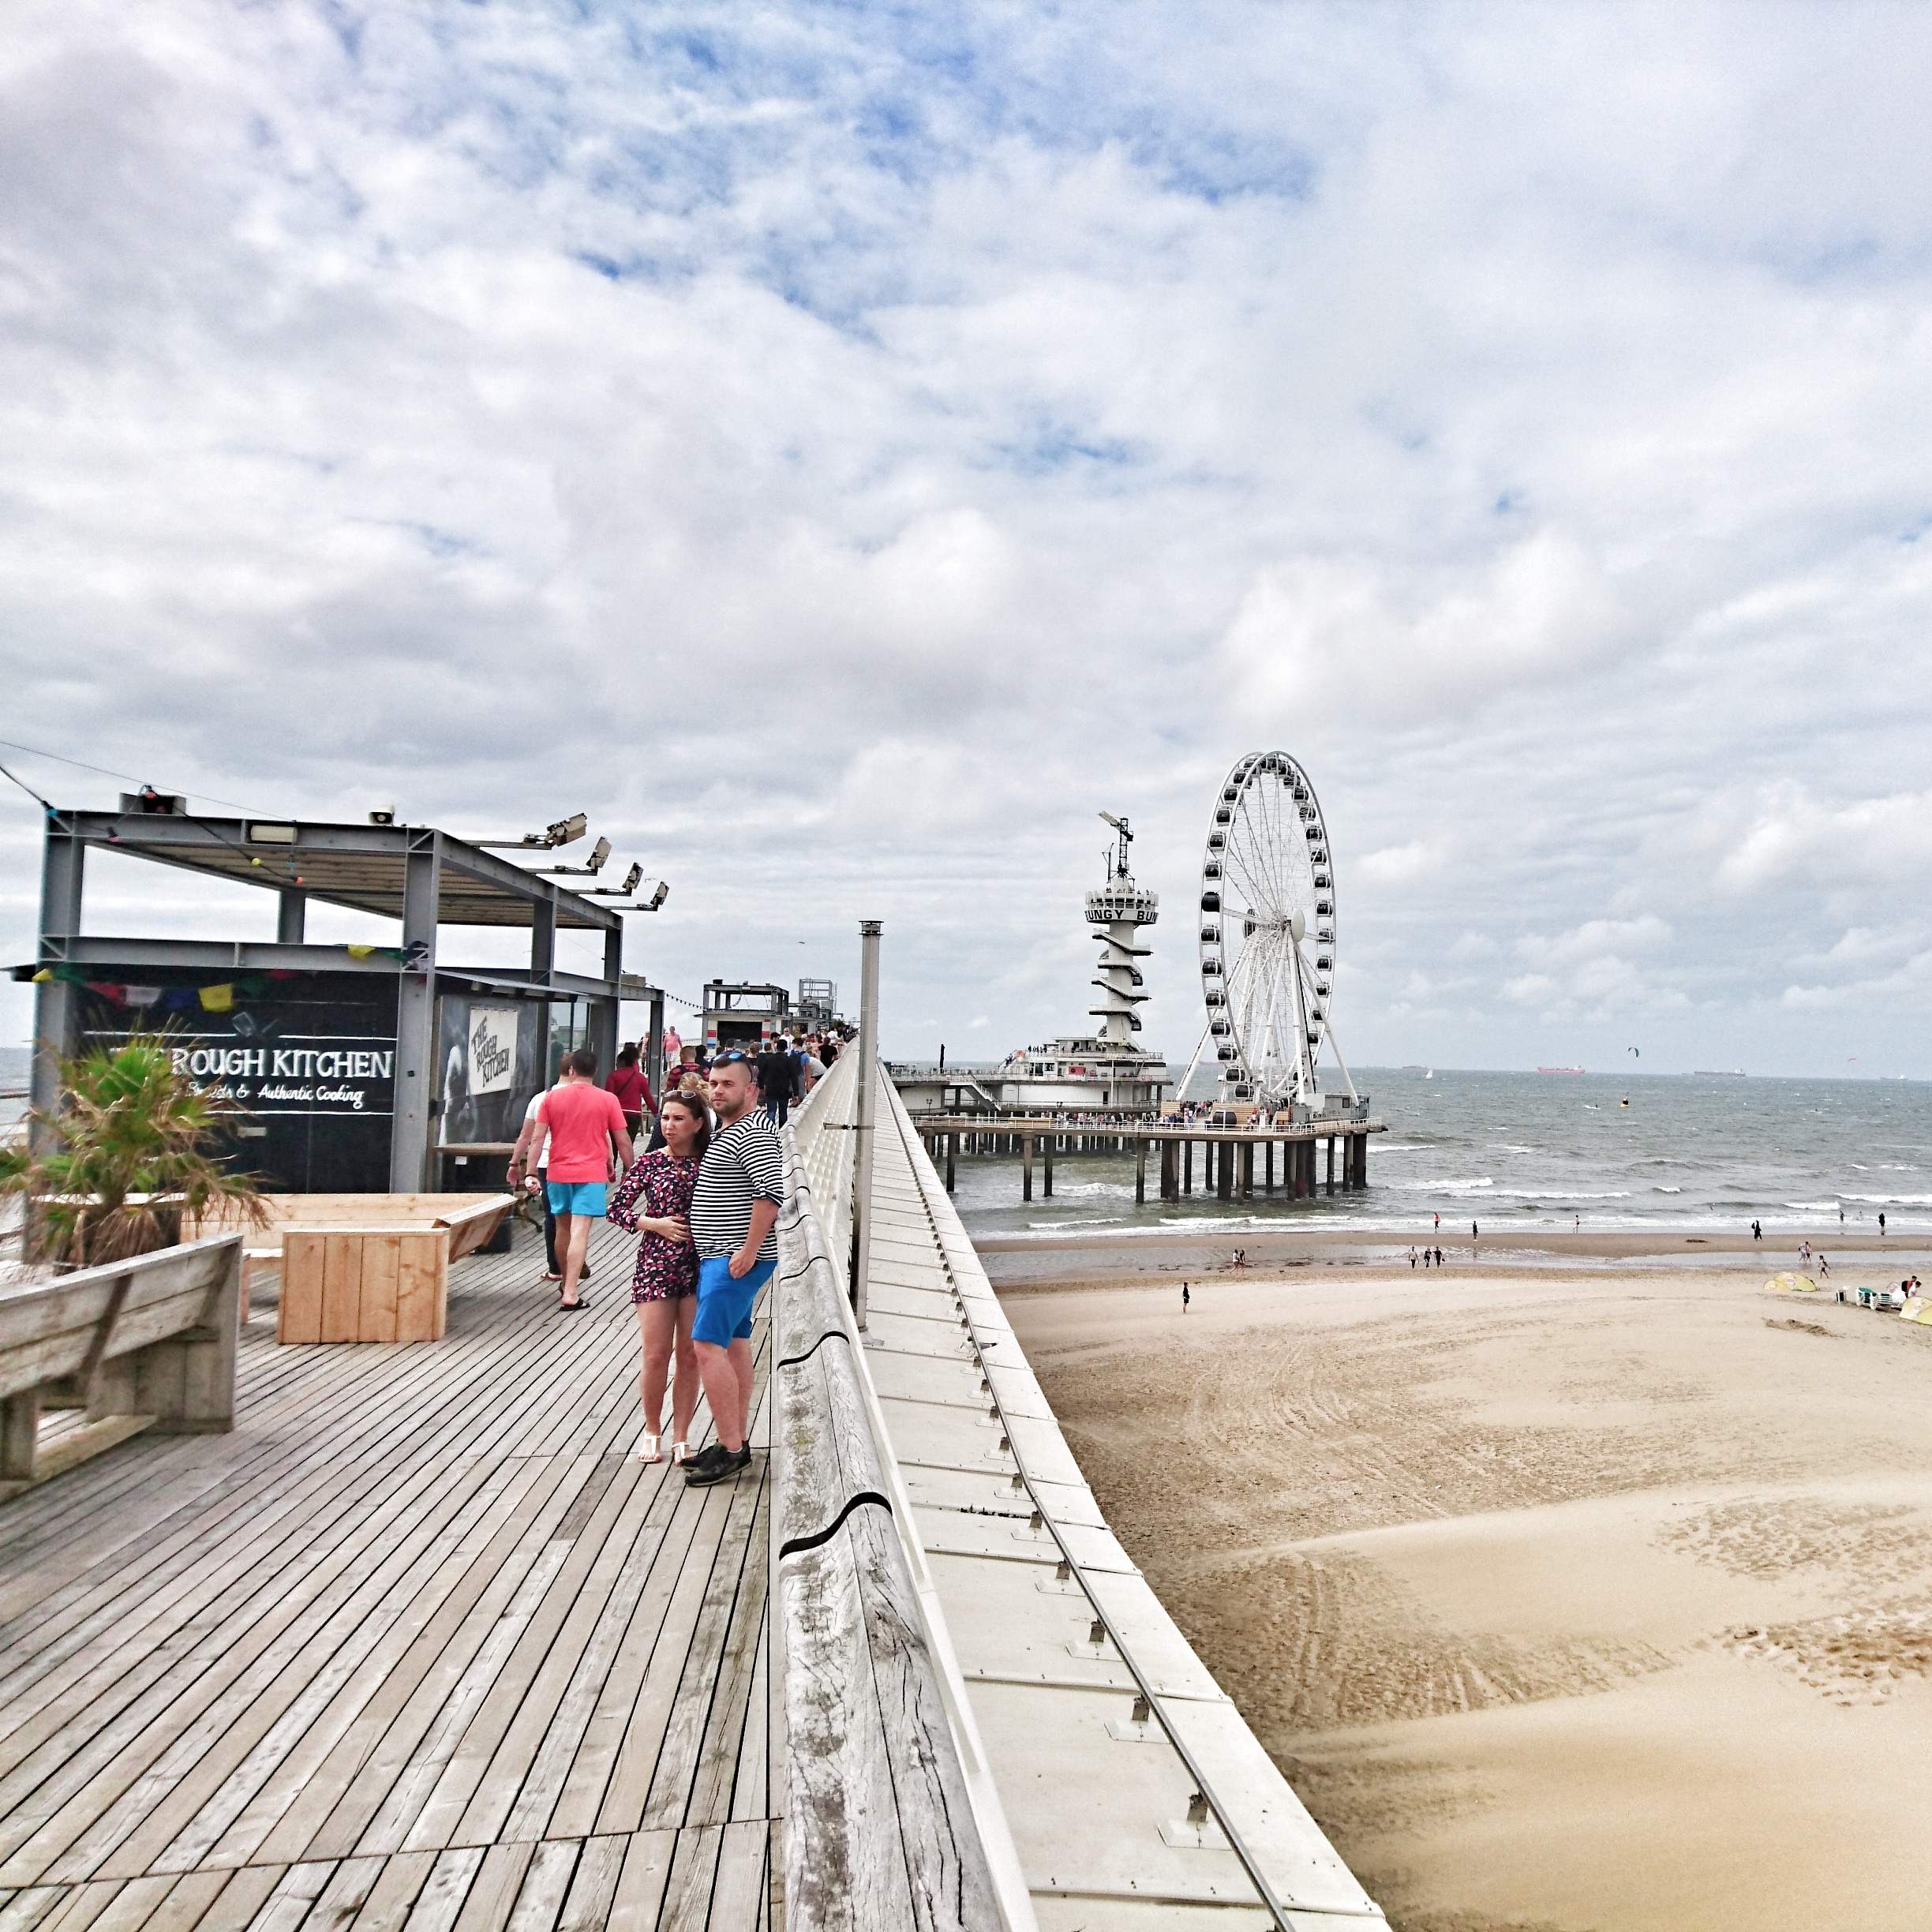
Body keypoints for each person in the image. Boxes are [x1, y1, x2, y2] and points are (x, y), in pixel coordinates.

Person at [683, 1052, 784, 1487]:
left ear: (751, 1090)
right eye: (714, 1083)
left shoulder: (753, 1131)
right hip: (722, 1258)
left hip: (733, 1260)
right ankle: (735, 1437)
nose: (718, 1090)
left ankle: (732, 1450)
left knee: (705, 1347)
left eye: (728, 1084)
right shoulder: (732, 1129)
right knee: (735, 1344)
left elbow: (770, 1196)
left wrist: (747, 1252)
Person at [609, 1091, 710, 1465]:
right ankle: (652, 1429)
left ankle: (682, 1435)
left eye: (678, 1119)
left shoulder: (712, 1162)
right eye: (665, 1118)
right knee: (655, 1354)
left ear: (698, 1124)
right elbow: (617, 1210)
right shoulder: (650, 1163)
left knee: (689, 1354)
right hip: (656, 1264)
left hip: (698, 1263)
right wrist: (654, 1223)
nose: (668, 1125)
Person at [534, 1049, 635, 1310]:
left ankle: (564, 1280)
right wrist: (631, 1171)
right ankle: (570, 1291)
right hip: (591, 1173)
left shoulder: (550, 1099)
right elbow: (621, 1139)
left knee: (562, 1229)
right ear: (595, 1071)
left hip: (557, 1172)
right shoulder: (608, 1100)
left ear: (571, 1070)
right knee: (580, 1231)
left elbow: (537, 1138)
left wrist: (530, 1170)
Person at [509, 1065, 589, 1285]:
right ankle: (575, 1258)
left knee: (554, 1216)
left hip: (547, 1163)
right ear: (575, 1071)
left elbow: (527, 1136)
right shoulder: (587, 1098)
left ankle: (556, 1268)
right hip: (582, 1163)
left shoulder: (541, 1099)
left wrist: (516, 1164)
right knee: (578, 1217)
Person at [608, 1044, 654, 1142]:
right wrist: (657, 1114)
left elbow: (609, 1097)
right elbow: (648, 1098)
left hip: (617, 1114)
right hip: (634, 1115)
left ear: (623, 1062)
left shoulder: (613, 1076)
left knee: (614, 1145)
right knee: (628, 1144)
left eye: (618, 1062)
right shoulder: (640, 1077)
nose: (616, 1064)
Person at [755, 1039, 800, 1128]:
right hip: (784, 1090)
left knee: (771, 1112)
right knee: (783, 1112)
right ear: (786, 1048)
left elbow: (760, 1075)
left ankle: (771, 1130)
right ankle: (782, 1131)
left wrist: (761, 1087)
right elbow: (794, 1077)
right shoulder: (788, 1061)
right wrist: (796, 1093)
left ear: (776, 1047)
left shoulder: (769, 1060)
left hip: (770, 1089)